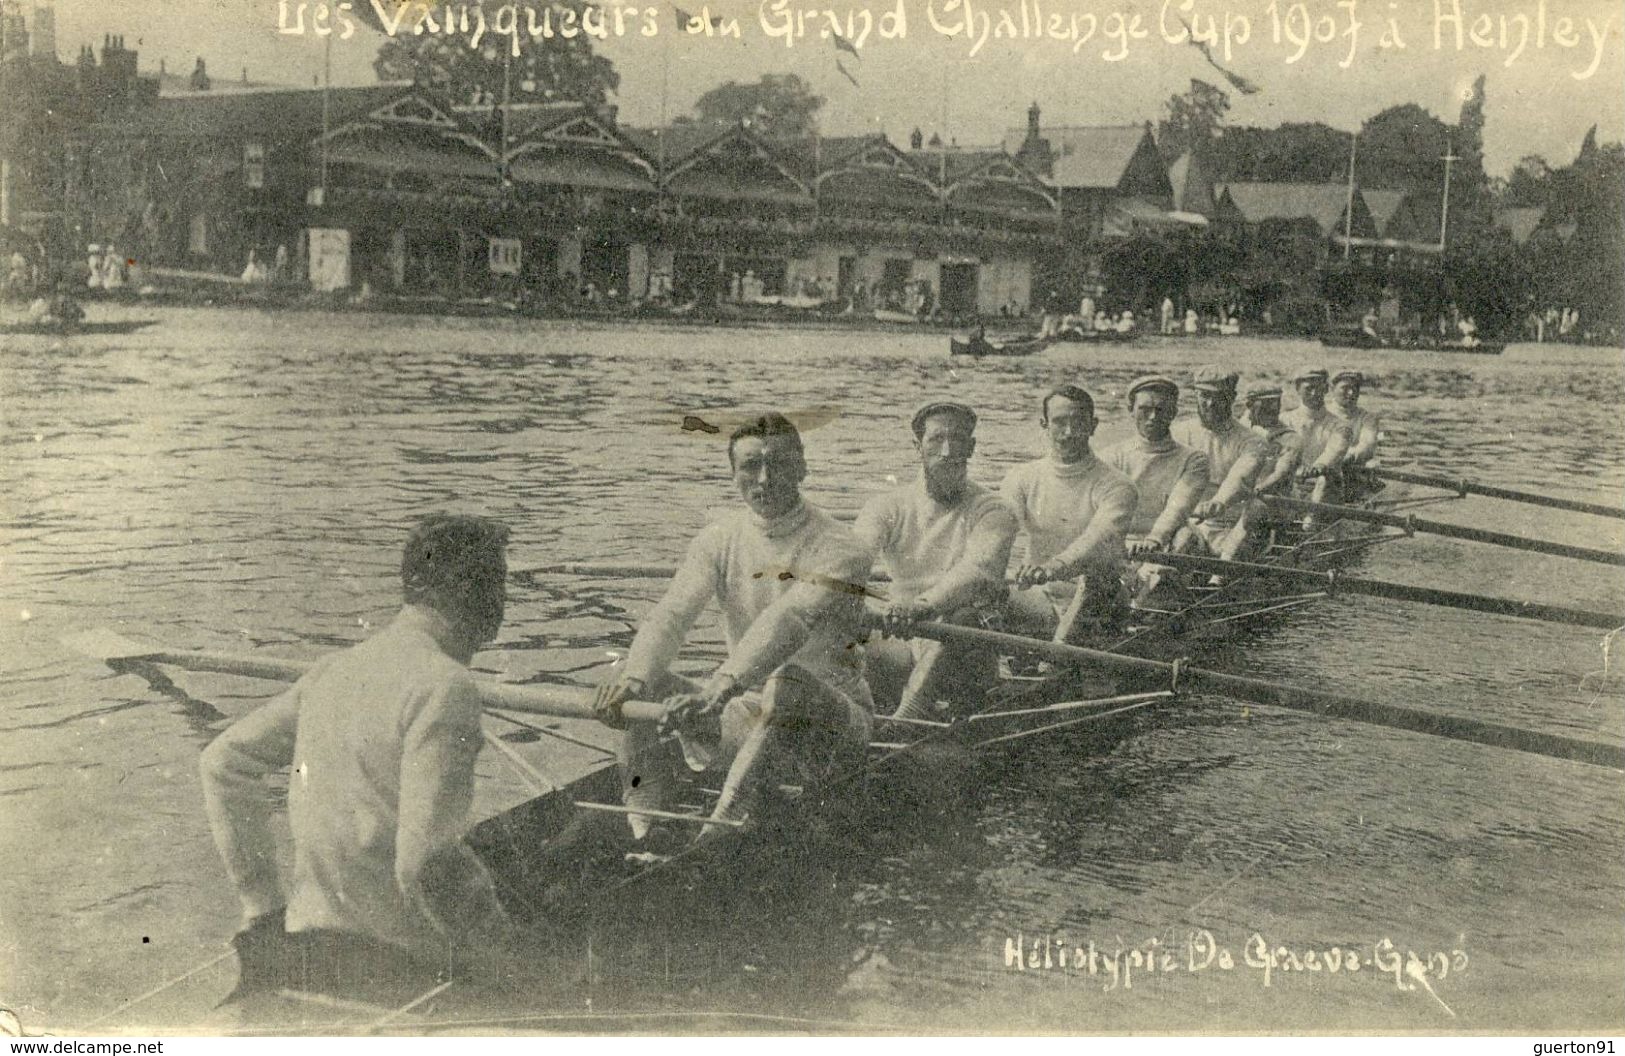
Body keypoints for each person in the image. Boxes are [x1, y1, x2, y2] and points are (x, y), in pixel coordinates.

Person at [199, 514, 521, 1005]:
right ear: (471, 592)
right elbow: (425, 863)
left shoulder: (333, 670)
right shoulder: (446, 685)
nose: (503, 603)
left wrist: (262, 907)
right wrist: (511, 953)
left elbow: (223, 763)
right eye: (498, 584)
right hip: (399, 961)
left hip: (310, 939)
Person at [591, 414, 873, 846]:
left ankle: (715, 832)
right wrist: (634, 679)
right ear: (733, 474)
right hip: (743, 718)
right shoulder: (717, 539)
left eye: (778, 464)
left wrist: (718, 689)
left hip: (831, 727)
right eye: (750, 466)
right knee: (634, 674)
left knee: (786, 683)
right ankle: (644, 829)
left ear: (802, 468)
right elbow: (672, 614)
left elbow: (790, 619)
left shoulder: (844, 547)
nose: (764, 478)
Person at [855, 402, 1017, 719]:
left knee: (965, 615)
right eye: (936, 439)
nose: (947, 451)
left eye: (957, 440)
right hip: (899, 635)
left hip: (963, 644)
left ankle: (905, 720)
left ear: (971, 447)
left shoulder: (994, 510)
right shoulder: (885, 506)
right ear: (918, 447)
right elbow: (853, 559)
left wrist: (922, 606)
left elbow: (977, 571)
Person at [1000, 385, 1137, 644]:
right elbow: (999, 531)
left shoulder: (1117, 485)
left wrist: (1053, 567)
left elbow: (1097, 540)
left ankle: (1051, 663)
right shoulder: (1020, 478)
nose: (1069, 433)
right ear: (1044, 424)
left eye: (1079, 423)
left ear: (1093, 425)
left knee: (1098, 579)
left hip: (1100, 602)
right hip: (1041, 599)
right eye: (1060, 422)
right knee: (979, 587)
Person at [1104, 376, 1209, 600]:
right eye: (1144, 409)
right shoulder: (1111, 456)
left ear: (1173, 413)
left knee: (1186, 536)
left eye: (1161, 410)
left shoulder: (1194, 460)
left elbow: (1178, 508)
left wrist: (1154, 540)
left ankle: (1145, 605)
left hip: (1166, 542)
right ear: (1130, 409)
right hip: (1120, 543)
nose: (1153, 417)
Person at [1171, 366, 1273, 562]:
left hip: (1232, 524)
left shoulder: (1253, 441)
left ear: (1232, 397)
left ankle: (1221, 576)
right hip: (1190, 522)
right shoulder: (1177, 434)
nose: (1210, 404)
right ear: (1196, 395)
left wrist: (1219, 502)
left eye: (1219, 397)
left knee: (1258, 508)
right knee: (1184, 537)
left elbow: (1240, 477)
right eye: (1204, 396)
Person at [1281, 367, 1352, 509]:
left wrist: (1318, 467)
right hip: (1291, 485)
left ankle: (1310, 524)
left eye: (1319, 388)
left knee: (1324, 480)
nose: (1314, 394)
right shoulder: (1283, 420)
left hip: (1325, 488)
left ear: (1326, 389)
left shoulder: (1341, 426)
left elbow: (1334, 452)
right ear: (1297, 388)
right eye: (1309, 389)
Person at [1326, 368, 1380, 475]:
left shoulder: (1367, 418)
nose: (1351, 393)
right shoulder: (1322, 413)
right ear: (1332, 389)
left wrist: (1347, 457)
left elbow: (1367, 445)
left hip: (1351, 468)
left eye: (1355, 388)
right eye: (1345, 388)